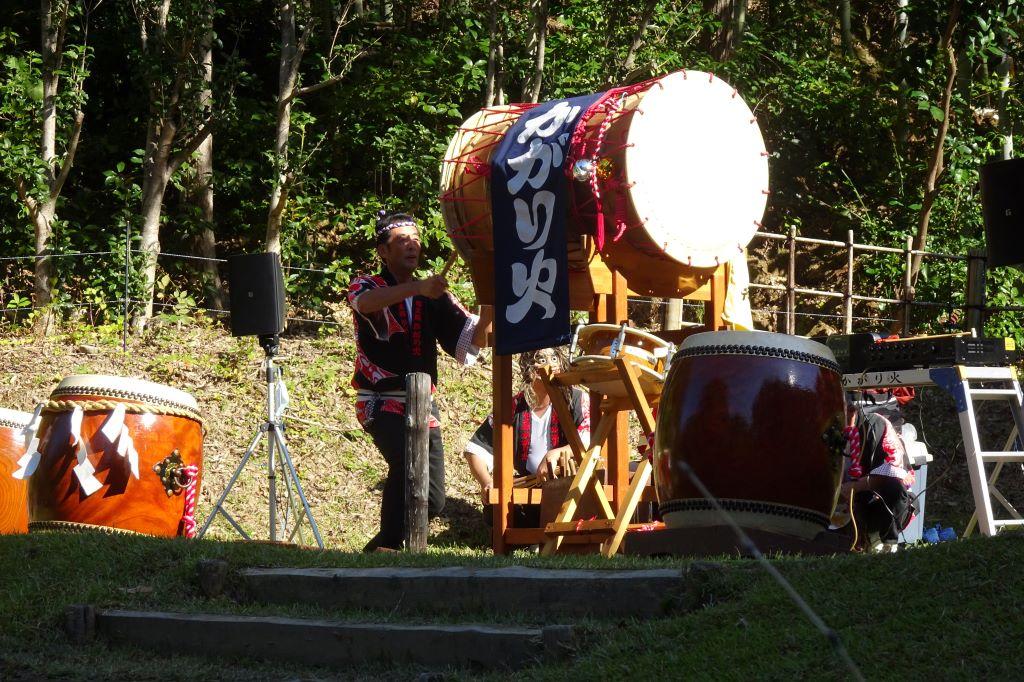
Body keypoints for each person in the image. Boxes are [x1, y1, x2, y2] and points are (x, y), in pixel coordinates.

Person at [347, 211, 492, 552]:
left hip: (424, 403)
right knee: (406, 466)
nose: (412, 245)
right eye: (402, 241)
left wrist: (489, 294)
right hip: (380, 401)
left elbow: (478, 339)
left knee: (433, 498)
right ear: (384, 251)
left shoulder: (434, 294)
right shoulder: (368, 285)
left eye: (415, 239)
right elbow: (366, 304)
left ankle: (381, 550)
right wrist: (418, 288)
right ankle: (389, 550)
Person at [463, 347, 590, 515]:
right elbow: (476, 449)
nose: (549, 366)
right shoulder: (513, 407)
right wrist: (487, 482)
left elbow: (591, 438)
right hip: (528, 486)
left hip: (567, 484)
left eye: (554, 359)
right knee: (496, 510)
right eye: (541, 360)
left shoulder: (577, 400)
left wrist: (557, 454)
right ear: (529, 369)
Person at [840, 404, 917, 550]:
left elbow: (892, 474)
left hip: (873, 504)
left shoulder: (876, 425)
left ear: (851, 410)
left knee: (894, 488)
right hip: (836, 510)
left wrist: (854, 487)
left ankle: (882, 540)